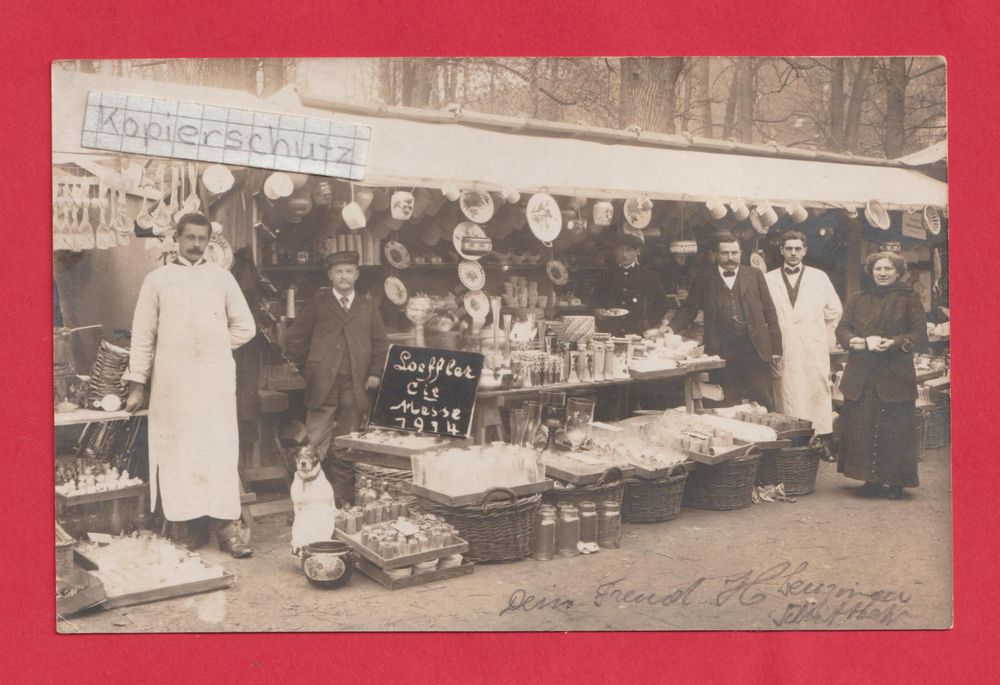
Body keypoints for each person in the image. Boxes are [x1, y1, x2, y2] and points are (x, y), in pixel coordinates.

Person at [124, 213, 257, 557]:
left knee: (218, 448)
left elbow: (246, 327)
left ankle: (226, 529)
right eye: (190, 238)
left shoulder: (222, 279)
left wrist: (213, 345)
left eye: (202, 239)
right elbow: (143, 334)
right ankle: (188, 526)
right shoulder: (158, 280)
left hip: (214, 383)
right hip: (173, 384)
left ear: (209, 242)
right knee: (180, 451)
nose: (196, 244)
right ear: (178, 240)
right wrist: (138, 383)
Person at [285, 250, 389, 497]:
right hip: (322, 383)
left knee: (347, 438)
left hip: (356, 383)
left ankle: (341, 497)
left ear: (357, 275)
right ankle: (308, 497)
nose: (344, 276)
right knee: (315, 439)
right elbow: (294, 339)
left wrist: (375, 372)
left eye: (349, 271)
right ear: (330, 276)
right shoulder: (318, 305)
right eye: (339, 272)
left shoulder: (367, 306)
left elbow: (380, 343)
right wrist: (308, 369)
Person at [835, 252, 927, 499]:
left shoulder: (909, 299)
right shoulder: (858, 298)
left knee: (895, 429)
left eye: (888, 269)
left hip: (894, 375)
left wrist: (895, 342)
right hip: (862, 374)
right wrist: (851, 340)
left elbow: (919, 335)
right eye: (878, 269)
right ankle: (871, 480)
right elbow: (842, 328)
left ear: (898, 272)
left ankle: (896, 482)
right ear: (871, 272)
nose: (883, 273)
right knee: (863, 426)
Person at [664, 234, 782, 410]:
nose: (730, 258)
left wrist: (776, 348)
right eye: (725, 253)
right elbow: (689, 309)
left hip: (754, 349)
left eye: (734, 253)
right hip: (722, 350)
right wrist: (670, 328)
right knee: (724, 401)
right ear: (716, 254)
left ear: (740, 253)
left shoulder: (755, 274)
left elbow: (770, 312)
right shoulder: (704, 278)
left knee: (762, 401)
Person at [764, 231, 843, 459]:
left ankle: (824, 440)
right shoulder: (769, 279)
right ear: (781, 251)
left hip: (812, 345)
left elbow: (834, 310)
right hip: (783, 345)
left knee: (817, 390)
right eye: (789, 248)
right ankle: (793, 442)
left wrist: (819, 332)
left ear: (805, 251)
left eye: (798, 249)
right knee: (787, 391)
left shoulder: (819, 277)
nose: (793, 253)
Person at [592, 233, 668, 334]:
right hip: (610, 331)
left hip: (638, 333)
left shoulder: (649, 276)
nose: (624, 254)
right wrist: (597, 311)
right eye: (620, 250)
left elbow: (662, 305)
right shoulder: (605, 275)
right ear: (615, 252)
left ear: (637, 251)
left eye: (628, 250)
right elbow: (593, 303)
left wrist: (647, 323)